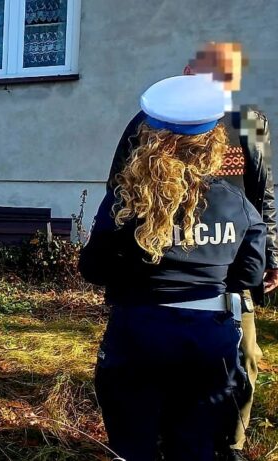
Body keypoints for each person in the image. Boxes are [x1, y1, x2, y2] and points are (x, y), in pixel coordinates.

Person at [81, 75, 265, 461]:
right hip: (209, 338)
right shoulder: (237, 202)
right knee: (195, 444)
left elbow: (93, 267)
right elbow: (249, 277)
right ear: (214, 139)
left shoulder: (125, 200)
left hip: (138, 332)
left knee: (132, 444)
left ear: (150, 136)